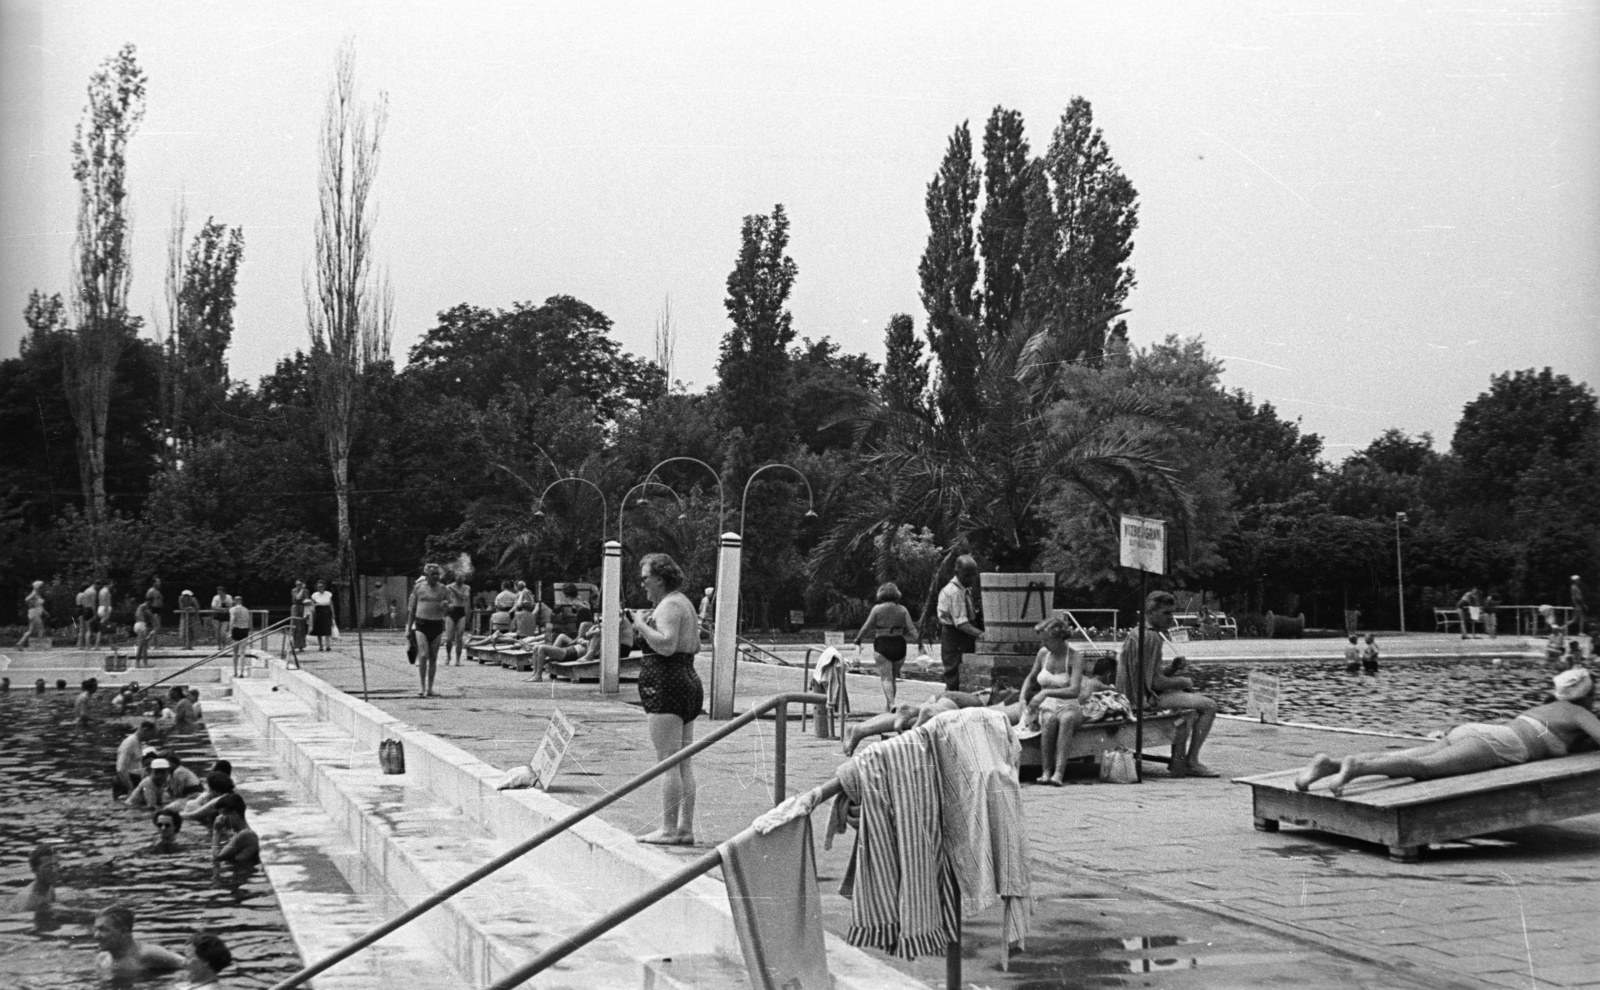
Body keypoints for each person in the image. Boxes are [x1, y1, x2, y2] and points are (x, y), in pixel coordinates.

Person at [1298, 667, 1600, 795]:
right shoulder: (1578, 712)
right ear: (1585, 695)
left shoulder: (1549, 708)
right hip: (1498, 745)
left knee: (1410, 756)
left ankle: (1329, 765)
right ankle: (1356, 768)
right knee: (1425, 769)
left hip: (1475, 730)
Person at [629, 553, 703, 846]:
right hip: (686, 679)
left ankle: (669, 829)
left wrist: (640, 624)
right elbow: (694, 645)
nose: (643, 583)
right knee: (683, 761)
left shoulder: (670, 605)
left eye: (646, 578)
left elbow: (667, 645)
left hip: (666, 683)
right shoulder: (683, 603)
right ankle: (685, 828)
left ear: (660, 578)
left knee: (668, 762)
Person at [1115, 590, 1221, 777]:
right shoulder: (1151, 638)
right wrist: (1182, 681)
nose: (1170, 617)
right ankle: (1191, 761)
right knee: (1209, 706)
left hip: (1130, 695)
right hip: (1139, 701)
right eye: (1166, 613)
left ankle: (1185, 760)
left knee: (1189, 703)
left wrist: (1172, 668)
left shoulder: (1138, 633)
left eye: (1171, 613)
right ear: (1151, 613)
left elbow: (1148, 676)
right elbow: (1155, 683)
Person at [853, 582, 924, 710]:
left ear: (881, 594)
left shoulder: (877, 609)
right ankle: (889, 708)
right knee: (893, 678)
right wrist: (920, 644)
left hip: (883, 643)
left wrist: (858, 639)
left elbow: (866, 627)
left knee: (886, 678)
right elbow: (912, 629)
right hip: (899, 644)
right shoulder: (902, 610)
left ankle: (891, 703)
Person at [93, 904, 185, 976]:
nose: (96, 936)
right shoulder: (102, 959)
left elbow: (189, 964)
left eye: (103, 929)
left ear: (123, 931)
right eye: (96, 929)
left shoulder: (148, 954)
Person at [936, 556, 983, 692]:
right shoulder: (954, 592)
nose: (970, 579)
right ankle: (951, 699)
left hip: (962, 636)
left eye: (973, 575)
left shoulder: (964, 590)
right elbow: (961, 623)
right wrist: (981, 634)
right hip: (955, 636)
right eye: (966, 575)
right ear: (957, 572)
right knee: (954, 672)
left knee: (963, 671)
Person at [409, 564, 449, 696]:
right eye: (433, 574)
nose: (436, 576)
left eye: (437, 574)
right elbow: (412, 609)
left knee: (433, 657)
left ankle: (430, 688)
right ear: (427, 575)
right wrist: (409, 628)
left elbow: (450, 607)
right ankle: (422, 686)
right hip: (421, 624)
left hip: (436, 624)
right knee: (423, 655)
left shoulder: (443, 588)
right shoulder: (419, 587)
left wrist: (446, 606)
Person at [211, 793, 260, 866]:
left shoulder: (246, 834)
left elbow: (216, 858)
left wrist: (216, 831)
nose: (220, 819)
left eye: (223, 814)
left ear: (234, 813)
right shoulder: (240, 833)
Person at [8, 844, 60, 911]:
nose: (54, 870)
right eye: (48, 867)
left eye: (56, 865)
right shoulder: (31, 902)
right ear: (35, 870)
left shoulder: (48, 886)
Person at [115, 720, 159, 795]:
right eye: (151, 735)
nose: (151, 739)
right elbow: (121, 769)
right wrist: (130, 788)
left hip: (133, 780)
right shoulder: (129, 743)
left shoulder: (138, 742)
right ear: (145, 730)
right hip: (125, 783)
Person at [444, 570, 472, 666]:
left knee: (459, 636)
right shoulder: (448, 587)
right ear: (455, 577)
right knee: (449, 638)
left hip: (460, 611)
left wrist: (454, 590)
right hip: (451, 611)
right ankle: (448, 655)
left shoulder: (466, 587)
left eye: (462, 577)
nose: (460, 579)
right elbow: (444, 599)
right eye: (458, 577)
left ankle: (458, 659)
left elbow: (463, 597)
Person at [17, 580, 47, 649]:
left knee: (31, 630)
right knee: (41, 629)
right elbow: (27, 599)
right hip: (34, 613)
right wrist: (31, 605)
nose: (43, 588)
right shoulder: (34, 593)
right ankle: (39, 645)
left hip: (35, 613)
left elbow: (40, 605)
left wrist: (45, 612)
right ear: (38, 587)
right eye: (41, 587)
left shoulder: (37, 594)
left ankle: (20, 643)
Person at [228, 597, 252, 673]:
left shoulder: (232, 609)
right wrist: (250, 631)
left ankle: (235, 672)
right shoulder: (246, 610)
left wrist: (229, 631)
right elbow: (249, 621)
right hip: (245, 630)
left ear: (235, 601)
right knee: (242, 653)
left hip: (236, 629)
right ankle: (241, 672)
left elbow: (232, 619)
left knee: (235, 652)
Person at [310, 581, 336, 650]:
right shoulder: (314, 595)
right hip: (318, 611)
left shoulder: (328, 594)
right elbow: (312, 605)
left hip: (326, 611)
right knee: (319, 629)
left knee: (327, 628)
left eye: (321, 586)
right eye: (319, 587)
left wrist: (333, 613)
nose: (320, 588)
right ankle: (320, 646)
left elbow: (331, 604)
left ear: (324, 587)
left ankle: (328, 645)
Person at [289, 580, 310, 652]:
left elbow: (307, 600)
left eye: (300, 584)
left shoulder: (306, 591)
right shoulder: (294, 590)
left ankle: (301, 645)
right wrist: (302, 590)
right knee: (295, 626)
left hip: (303, 608)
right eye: (297, 584)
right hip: (296, 608)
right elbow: (297, 597)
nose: (299, 585)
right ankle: (295, 645)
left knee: (302, 627)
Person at [76, 580, 98, 648]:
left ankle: (80, 644)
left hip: (79, 611)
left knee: (81, 629)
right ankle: (87, 644)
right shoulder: (85, 595)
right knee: (88, 629)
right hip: (86, 610)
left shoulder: (78, 594)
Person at [94, 578, 114, 649]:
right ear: (108, 584)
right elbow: (105, 600)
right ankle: (97, 645)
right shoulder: (106, 591)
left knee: (106, 627)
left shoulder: (101, 591)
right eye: (111, 583)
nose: (112, 585)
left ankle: (111, 645)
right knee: (103, 627)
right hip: (105, 608)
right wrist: (106, 609)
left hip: (101, 608)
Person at [211, 586, 232, 650]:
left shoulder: (228, 597)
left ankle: (224, 645)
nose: (219, 593)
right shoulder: (215, 597)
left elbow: (231, 606)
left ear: (224, 592)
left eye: (220, 591)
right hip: (216, 616)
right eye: (218, 591)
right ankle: (219, 645)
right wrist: (222, 609)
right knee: (217, 632)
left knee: (223, 632)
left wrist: (222, 608)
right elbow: (213, 607)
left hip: (225, 616)